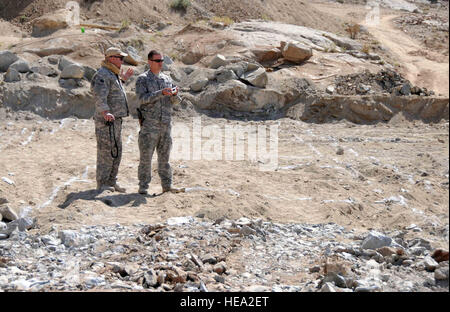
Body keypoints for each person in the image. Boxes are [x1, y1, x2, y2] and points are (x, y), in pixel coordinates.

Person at [135, 50, 184, 195]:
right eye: (157, 61)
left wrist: (175, 95)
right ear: (150, 62)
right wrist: (160, 93)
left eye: (162, 60)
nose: (161, 63)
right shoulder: (142, 79)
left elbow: (175, 102)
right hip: (150, 125)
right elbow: (142, 99)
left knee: (165, 158)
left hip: (165, 124)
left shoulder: (166, 79)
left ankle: (167, 185)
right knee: (146, 158)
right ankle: (143, 187)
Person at [91, 47, 133, 193]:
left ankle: (111, 181)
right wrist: (105, 112)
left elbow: (113, 92)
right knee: (106, 152)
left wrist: (123, 80)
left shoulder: (112, 74)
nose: (122, 61)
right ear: (110, 58)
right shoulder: (103, 74)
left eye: (122, 58)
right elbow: (99, 96)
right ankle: (103, 183)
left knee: (116, 150)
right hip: (106, 121)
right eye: (119, 58)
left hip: (115, 120)